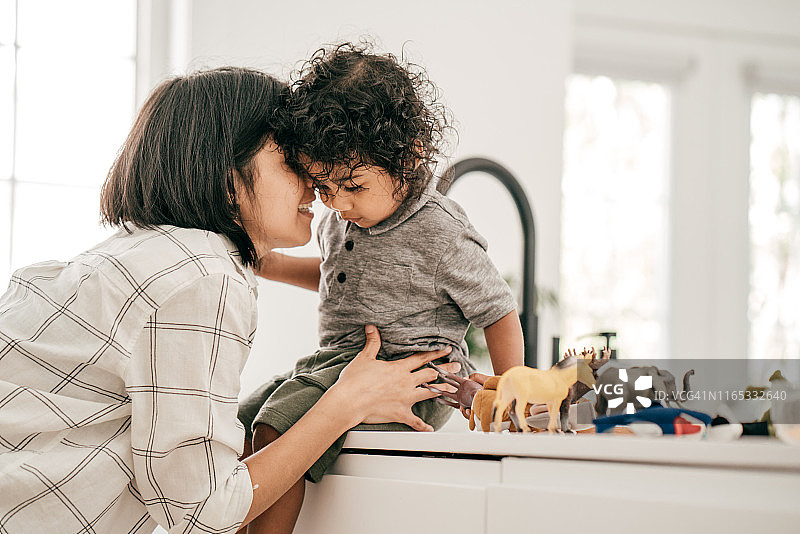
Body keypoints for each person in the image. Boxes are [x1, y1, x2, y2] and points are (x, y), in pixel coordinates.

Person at [0, 66, 459, 533]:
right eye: (291, 163)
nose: (314, 186)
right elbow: (204, 512)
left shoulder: (149, 253)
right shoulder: (202, 276)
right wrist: (346, 401)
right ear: (227, 176)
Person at [239, 42, 525, 534]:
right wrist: (272, 264)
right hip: (339, 367)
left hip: (411, 377)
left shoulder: (438, 229)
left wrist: (512, 389)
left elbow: (497, 310)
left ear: (408, 158)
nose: (337, 203)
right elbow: (335, 278)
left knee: (275, 428)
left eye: (352, 186)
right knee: (241, 421)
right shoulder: (343, 219)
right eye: (323, 187)